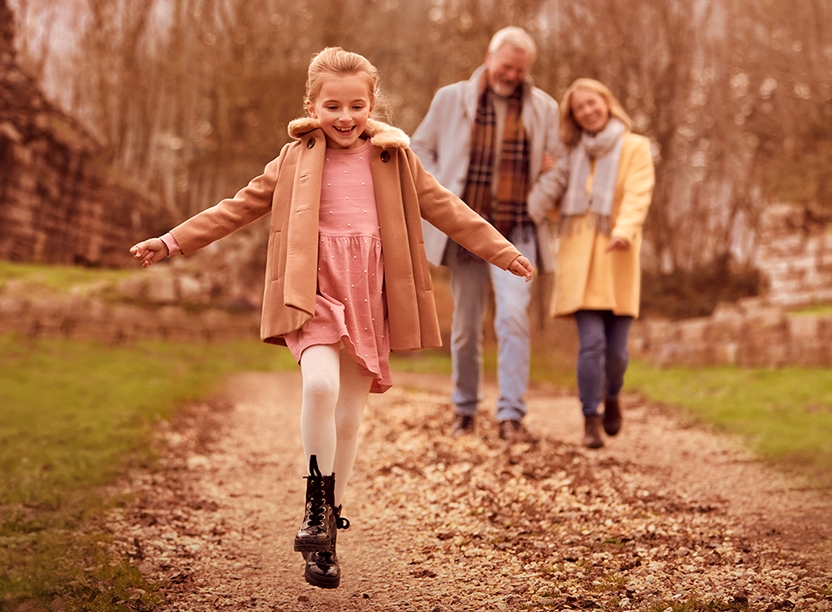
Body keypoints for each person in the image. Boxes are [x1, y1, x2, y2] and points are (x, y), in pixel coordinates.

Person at [129, 47, 534, 590]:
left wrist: (503, 252)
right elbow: (236, 206)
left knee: (349, 415)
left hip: (371, 293)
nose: (345, 117)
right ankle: (316, 506)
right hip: (313, 291)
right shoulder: (293, 159)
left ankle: (327, 534)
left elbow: (448, 208)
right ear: (312, 106)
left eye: (356, 105)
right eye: (332, 106)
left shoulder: (395, 158)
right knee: (319, 386)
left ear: (372, 106)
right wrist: (172, 240)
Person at [409, 26, 561, 442]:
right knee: (465, 324)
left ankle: (511, 414)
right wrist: (442, 198)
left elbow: (558, 165)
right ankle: (464, 409)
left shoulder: (544, 107)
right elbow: (419, 150)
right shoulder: (450, 98)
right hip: (466, 230)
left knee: (513, 317)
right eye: (506, 66)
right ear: (490, 57)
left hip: (518, 230)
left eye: (520, 69)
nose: (511, 75)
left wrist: (536, 200)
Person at [528, 78, 654, 449]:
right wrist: (548, 174)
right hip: (579, 259)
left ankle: (612, 395)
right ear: (574, 116)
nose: (587, 110)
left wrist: (625, 230)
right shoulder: (570, 153)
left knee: (616, 353)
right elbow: (555, 207)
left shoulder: (635, 147)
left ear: (606, 102)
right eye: (579, 107)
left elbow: (637, 195)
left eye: (592, 102)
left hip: (618, 256)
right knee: (592, 345)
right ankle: (589, 419)